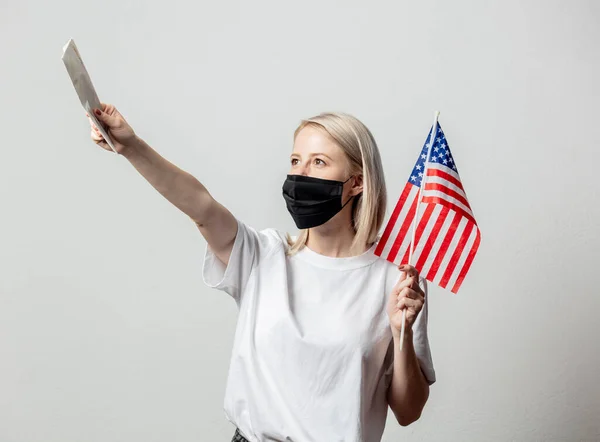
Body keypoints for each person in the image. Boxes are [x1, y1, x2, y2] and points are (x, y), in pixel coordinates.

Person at [86, 104, 436, 442]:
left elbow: (408, 411)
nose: (301, 174)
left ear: (357, 182)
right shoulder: (264, 256)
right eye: (296, 161)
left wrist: (400, 329)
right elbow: (200, 205)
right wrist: (131, 147)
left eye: (319, 162)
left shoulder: (396, 281)